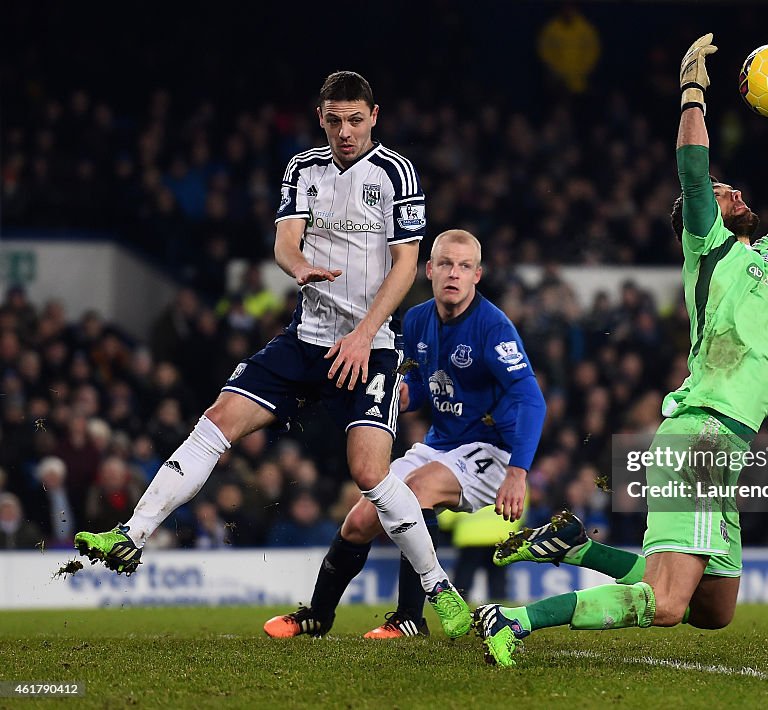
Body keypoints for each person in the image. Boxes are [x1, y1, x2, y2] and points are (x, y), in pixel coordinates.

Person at [472, 34, 768, 666]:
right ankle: (511, 619)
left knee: (712, 610)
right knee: (665, 603)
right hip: (702, 438)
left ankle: (575, 550)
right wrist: (692, 93)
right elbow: (692, 173)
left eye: (729, 189)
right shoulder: (709, 246)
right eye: (723, 192)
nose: (731, 191)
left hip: (727, 443)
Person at [74, 71, 474, 638]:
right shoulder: (301, 169)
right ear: (321, 118)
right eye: (334, 120)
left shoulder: (394, 173)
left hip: (370, 348)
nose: (345, 131)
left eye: (356, 119)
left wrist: (363, 335)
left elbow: (407, 263)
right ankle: (131, 536)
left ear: (374, 117)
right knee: (216, 421)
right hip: (305, 338)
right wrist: (298, 266)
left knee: (370, 473)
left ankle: (439, 590)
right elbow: (286, 240)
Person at [263, 229, 546, 638]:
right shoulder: (415, 320)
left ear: (477, 275)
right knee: (361, 518)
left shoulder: (493, 327)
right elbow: (420, 389)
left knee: (413, 494)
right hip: (441, 445)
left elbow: (532, 400)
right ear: (428, 269)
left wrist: (518, 471)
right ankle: (319, 614)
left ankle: (410, 616)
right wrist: (393, 394)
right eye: (446, 264)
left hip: (493, 452)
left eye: (465, 267)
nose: (454, 274)